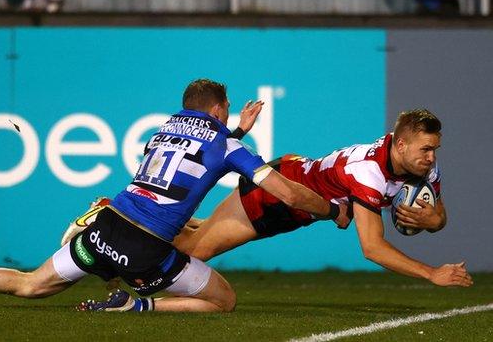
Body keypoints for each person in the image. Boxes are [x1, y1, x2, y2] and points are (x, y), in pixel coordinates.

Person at [0, 79, 350, 312]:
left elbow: (193, 153)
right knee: (223, 299)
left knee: (31, 285)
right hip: (145, 248)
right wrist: (331, 210)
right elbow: (284, 189)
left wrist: (233, 131)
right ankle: (138, 304)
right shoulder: (228, 144)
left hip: (106, 226)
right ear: (219, 107)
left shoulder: (162, 129)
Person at [171, 109, 472, 288]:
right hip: (277, 196)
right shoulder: (368, 172)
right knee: (195, 249)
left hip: (298, 197)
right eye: (426, 150)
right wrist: (431, 273)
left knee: (196, 233)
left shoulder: (422, 163)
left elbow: (438, 214)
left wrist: (436, 221)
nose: (432, 158)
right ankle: (130, 249)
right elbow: (372, 248)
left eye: (434, 150)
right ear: (402, 144)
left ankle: (145, 229)